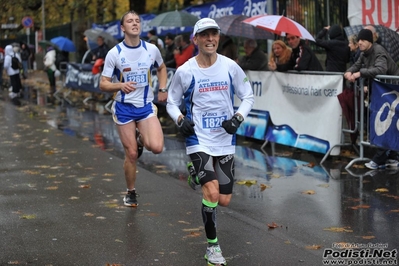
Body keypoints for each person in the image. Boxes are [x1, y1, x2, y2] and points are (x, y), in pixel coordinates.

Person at [166, 18, 254, 266]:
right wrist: (180, 118)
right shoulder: (185, 71)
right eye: (204, 35)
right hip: (198, 138)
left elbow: (247, 96)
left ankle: (194, 173)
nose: (210, 39)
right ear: (195, 40)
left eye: (213, 34)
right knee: (212, 192)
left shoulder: (230, 66)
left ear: (218, 37)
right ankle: (213, 248)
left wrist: (237, 118)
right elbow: (171, 102)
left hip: (225, 138)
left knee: (224, 199)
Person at [99, 10, 167, 207]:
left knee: (156, 147)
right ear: (123, 28)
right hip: (124, 108)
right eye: (130, 21)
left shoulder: (151, 49)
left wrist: (163, 88)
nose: (135, 23)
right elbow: (103, 84)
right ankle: (131, 192)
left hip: (145, 106)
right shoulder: (115, 53)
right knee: (131, 154)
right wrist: (119, 85)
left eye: (137, 20)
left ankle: (140, 138)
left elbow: (161, 68)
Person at [344, 29, 399, 169]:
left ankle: (379, 159)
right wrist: (349, 71)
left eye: (363, 40)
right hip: (384, 92)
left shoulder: (378, 51)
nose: (360, 42)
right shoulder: (364, 53)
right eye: (359, 40)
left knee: (386, 124)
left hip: (392, 91)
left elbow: (381, 69)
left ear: (370, 41)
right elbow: (357, 65)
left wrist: (358, 74)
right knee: (386, 123)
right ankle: (393, 158)